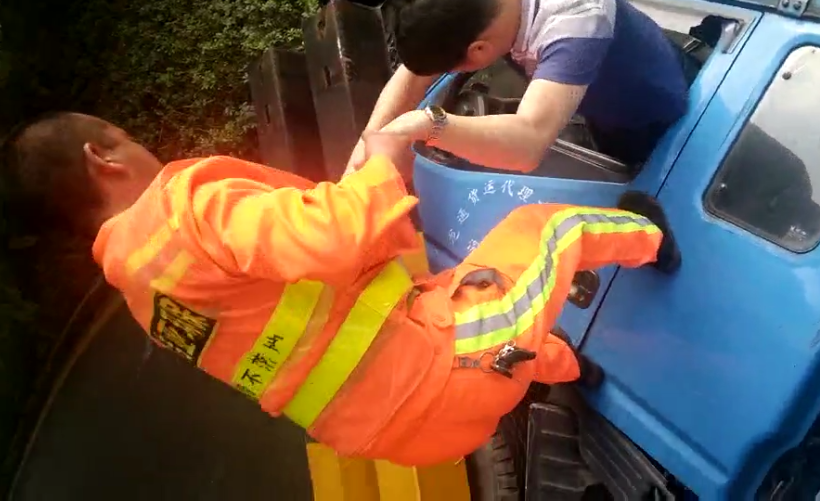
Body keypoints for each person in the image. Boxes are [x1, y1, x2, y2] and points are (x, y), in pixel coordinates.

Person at [1, 112, 680, 466]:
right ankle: (648, 234)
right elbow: (333, 237)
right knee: (544, 229)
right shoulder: (184, 209)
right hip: (450, 376)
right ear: (102, 155)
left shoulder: (145, 297)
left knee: (460, 296)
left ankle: (567, 366)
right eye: (122, 136)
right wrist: (381, 163)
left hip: (401, 435)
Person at [345, 0, 689, 175]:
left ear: (478, 52)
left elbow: (528, 142)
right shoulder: (479, 12)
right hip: (596, 88)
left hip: (650, 111)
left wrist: (426, 124)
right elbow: (413, 73)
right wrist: (368, 143)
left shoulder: (576, 22)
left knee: (646, 172)